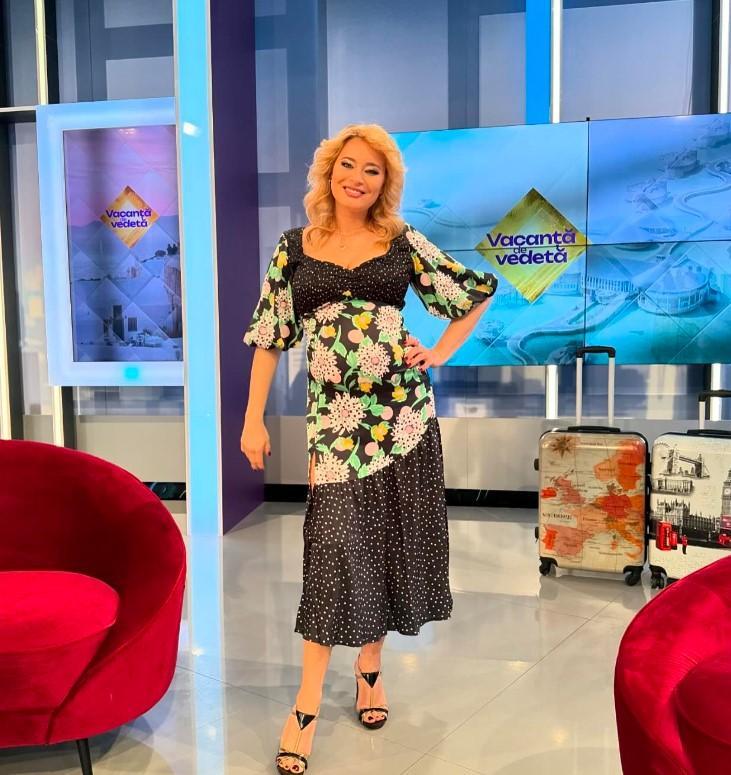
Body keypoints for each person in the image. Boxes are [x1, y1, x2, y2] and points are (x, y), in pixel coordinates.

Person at [241, 123, 498, 774]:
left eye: (372, 170)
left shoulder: (399, 240)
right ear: (328, 172)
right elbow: (269, 337)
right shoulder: (295, 247)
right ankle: (305, 703)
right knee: (332, 546)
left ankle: (371, 666)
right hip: (334, 422)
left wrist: (437, 351)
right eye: (347, 165)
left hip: (401, 416)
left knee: (387, 539)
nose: (357, 177)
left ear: (386, 183)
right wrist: (252, 420)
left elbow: (472, 293)